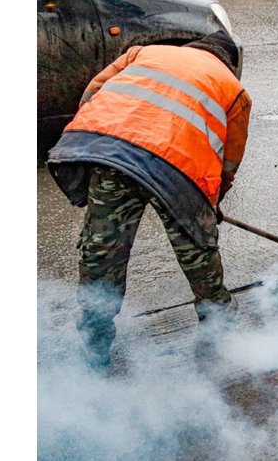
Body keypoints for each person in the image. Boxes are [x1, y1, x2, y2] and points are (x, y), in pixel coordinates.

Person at [47, 31, 251, 369]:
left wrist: (100, 146)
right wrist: (212, 203)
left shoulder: (143, 53)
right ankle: (217, 324)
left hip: (113, 154)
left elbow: (92, 95)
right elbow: (229, 161)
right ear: (230, 63)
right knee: (196, 249)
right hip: (178, 174)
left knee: (103, 251)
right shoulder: (233, 89)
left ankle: (94, 344)